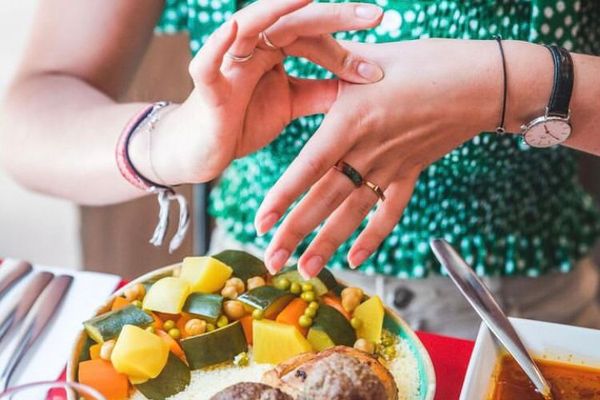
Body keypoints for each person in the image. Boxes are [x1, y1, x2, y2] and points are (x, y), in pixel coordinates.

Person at [2, 0, 600, 338]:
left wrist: (511, 84)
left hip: (519, 314)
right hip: (254, 300)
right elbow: (36, 108)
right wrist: (174, 141)